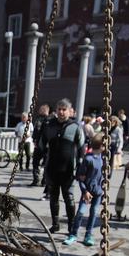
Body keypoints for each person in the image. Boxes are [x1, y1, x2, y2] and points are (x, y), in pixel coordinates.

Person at [40, 99, 86, 234]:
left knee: (69, 198)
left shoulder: (75, 126)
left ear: (69, 111)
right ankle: (55, 224)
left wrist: (80, 167)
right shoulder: (49, 125)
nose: (61, 112)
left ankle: (71, 226)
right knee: (53, 198)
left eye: (64, 109)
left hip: (68, 170)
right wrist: (41, 160)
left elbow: (82, 147)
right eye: (59, 109)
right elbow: (42, 144)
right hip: (52, 169)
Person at [63, 140, 104, 247]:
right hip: (87, 191)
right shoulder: (88, 159)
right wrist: (85, 191)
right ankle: (73, 234)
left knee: (93, 212)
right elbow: (80, 177)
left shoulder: (103, 159)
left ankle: (88, 235)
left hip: (98, 192)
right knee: (81, 212)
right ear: (101, 146)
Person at [30, 104, 51, 186]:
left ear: (45, 110)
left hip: (46, 146)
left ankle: (44, 180)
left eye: (41, 109)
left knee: (46, 164)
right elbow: (35, 131)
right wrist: (34, 140)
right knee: (35, 162)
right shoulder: (38, 119)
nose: (39, 111)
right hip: (38, 144)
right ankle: (36, 179)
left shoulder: (50, 120)